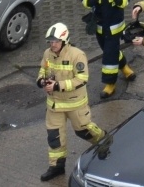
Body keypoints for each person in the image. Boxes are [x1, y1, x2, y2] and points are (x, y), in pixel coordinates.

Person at [39, 22, 105, 181]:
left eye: (55, 41)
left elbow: (82, 79)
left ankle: (105, 143)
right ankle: (57, 166)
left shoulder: (77, 55)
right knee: (54, 137)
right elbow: (42, 70)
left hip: (75, 104)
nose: (52, 44)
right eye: (50, 41)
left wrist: (58, 85)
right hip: (54, 105)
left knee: (84, 130)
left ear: (64, 40)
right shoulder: (47, 54)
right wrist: (41, 81)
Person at [81, 0, 132, 98]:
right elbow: (85, 1)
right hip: (99, 26)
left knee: (109, 54)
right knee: (110, 50)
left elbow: (124, 2)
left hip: (115, 28)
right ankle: (125, 68)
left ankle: (110, 84)